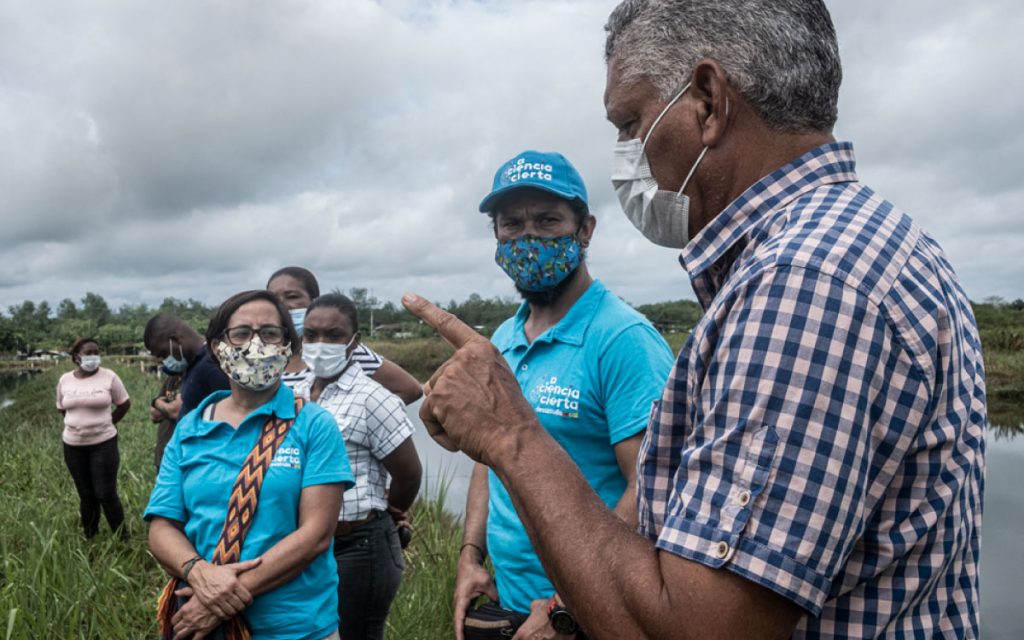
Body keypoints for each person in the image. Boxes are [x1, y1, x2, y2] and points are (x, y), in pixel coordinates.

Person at [401, 1, 987, 638]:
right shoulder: (850, 247)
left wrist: (511, 437)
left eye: (630, 121)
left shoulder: (803, 284)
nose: (627, 152)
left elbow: (700, 628)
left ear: (707, 100)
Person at [452, 150, 674, 638]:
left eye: (548, 220)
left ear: (585, 229)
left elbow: (651, 487)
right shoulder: (502, 342)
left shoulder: (622, 339)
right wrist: (471, 556)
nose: (529, 237)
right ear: (496, 234)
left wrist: (565, 607)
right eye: (512, 223)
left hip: (588, 615)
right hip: (507, 602)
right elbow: (490, 458)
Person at [145, 290, 353, 640]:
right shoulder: (191, 428)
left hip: (294, 626)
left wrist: (217, 598)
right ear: (216, 348)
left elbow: (315, 535)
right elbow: (162, 526)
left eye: (270, 333)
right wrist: (198, 573)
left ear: (289, 347)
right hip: (198, 620)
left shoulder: (313, 425)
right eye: (241, 333)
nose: (255, 345)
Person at [294, 292, 422, 640]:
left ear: (354, 342)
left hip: (359, 547)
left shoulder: (372, 397)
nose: (320, 344)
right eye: (311, 335)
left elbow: (409, 474)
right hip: (307, 544)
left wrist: (391, 509)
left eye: (333, 335)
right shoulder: (298, 393)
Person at [267, 266, 423, 405]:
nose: (282, 305)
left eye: (292, 296)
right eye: (273, 298)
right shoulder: (262, 352)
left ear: (314, 302)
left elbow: (410, 390)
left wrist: (359, 421)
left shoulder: (343, 350)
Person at [56, 337, 131, 539]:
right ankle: (91, 536)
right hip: (73, 445)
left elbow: (124, 403)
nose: (93, 357)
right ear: (76, 357)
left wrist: (108, 422)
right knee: (86, 493)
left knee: (105, 493)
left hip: (103, 444)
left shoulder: (109, 377)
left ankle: (122, 538)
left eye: (96, 352)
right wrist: (79, 426)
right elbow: (62, 408)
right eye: (88, 353)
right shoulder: (65, 380)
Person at [144, 313, 230, 417]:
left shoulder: (211, 365)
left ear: (175, 339)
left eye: (164, 354)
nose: (164, 361)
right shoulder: (193, 365)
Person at [148, 370, 182, 471]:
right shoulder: (171, 379)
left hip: (180, 454)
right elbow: (154, 414)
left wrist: (159, 403)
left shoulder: (192, 378)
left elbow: (175, 411)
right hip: (163, 451)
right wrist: (164, 406)